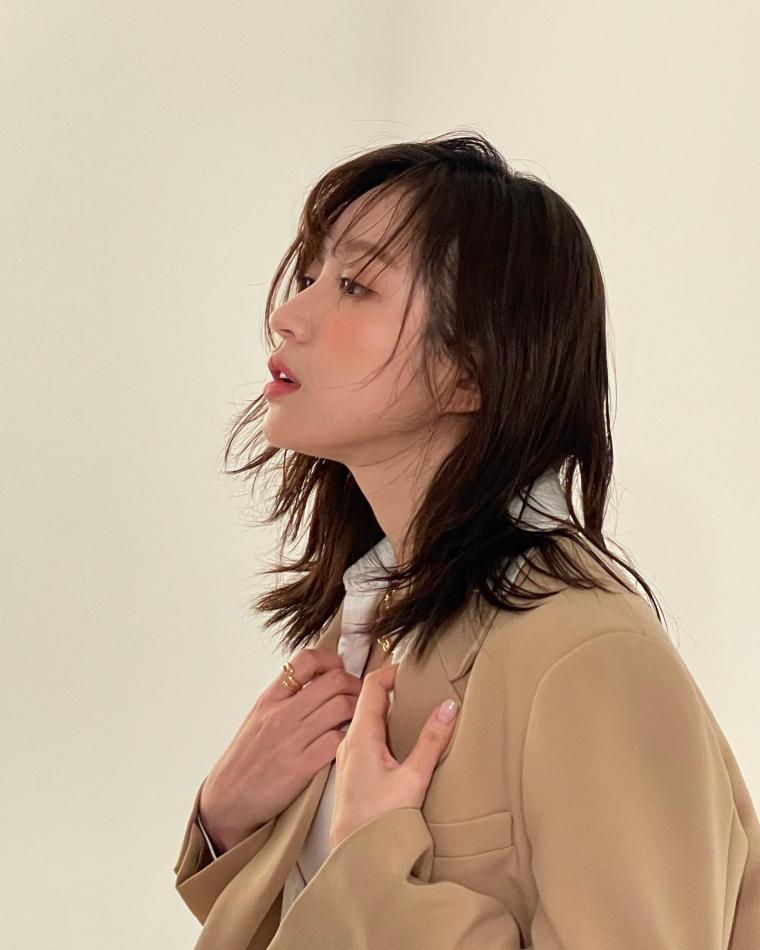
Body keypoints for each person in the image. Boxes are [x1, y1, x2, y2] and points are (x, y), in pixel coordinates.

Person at [173, 132, 759, 949]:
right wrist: (225, 821)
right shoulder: (374, 621)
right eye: (309, 275)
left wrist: (374, 869)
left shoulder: (587, 654)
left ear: (471, 370)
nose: (287, 313)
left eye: (355, 285)